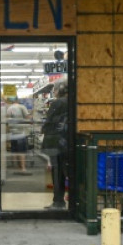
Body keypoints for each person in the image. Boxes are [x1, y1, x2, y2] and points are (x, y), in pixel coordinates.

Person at [41, 81, 68, 210]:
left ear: (59, 90)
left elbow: (50, 121)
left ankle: (58, 201)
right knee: (67, 171)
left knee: (57, 173)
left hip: (56, 142)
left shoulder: (58, 103)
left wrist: (44, 131)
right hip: (68, 141)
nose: (54, 92)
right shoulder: (73, 101)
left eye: (55, 90)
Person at [5, 96, 31, 174]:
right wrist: (30, 116)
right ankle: (23, 168)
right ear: (18, 100)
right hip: (21, 133)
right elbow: (27, 117)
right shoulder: (22, 107)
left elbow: (7, 120)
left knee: (15, 150)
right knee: (22, 151)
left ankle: (17, 166)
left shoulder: (9, 108)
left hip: (13, 133)